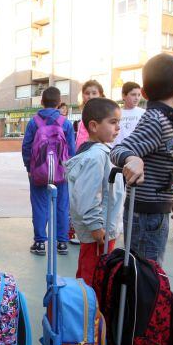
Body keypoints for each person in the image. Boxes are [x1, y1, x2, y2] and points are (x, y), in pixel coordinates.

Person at [110, 54, 173, 265]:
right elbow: (118, 149)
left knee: (147, 273)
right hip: (146, 216)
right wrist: (132, 158)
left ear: (143, 93)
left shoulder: (163, 119)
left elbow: (159, 165)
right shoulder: (156, 120)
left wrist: (169, 195)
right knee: (146, 276)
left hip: (153, 209)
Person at [66, 98, 124, 287]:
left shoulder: (96, 152)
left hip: (100, 231)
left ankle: (86, 310)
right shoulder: (96, 156)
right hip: (99, 233)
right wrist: (96, 227)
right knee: (93, 279)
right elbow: (88, 195)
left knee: (88, 273)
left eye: (119, 123)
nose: (118, 128)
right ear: (93, 126)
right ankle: (90, 314)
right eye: (113, 122)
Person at [22, 86, 77, 256]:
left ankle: (40, 243)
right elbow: (72, 150)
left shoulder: (33, 122)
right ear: (59, 103)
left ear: (41, 102)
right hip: (60, 171)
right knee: (62, 205)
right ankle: (62, 243)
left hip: (39, 170)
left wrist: (28, 167)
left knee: (40, 205)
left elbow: (26, 146)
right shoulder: (65, 123)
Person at [75, 80, 105, 150]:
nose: (90, 96)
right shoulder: (84, 111)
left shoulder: (104, 112)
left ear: (100, 95)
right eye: (87, 93)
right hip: (81, 151)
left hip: (95, 151)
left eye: (94, 93)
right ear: (82, 95)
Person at [115, 81, 145, 146]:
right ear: (123, 95)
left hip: (137, 151)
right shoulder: (115, 113)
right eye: (133, 95)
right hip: (117, 151)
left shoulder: (144, 113)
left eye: (139, 95)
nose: (137, 98)